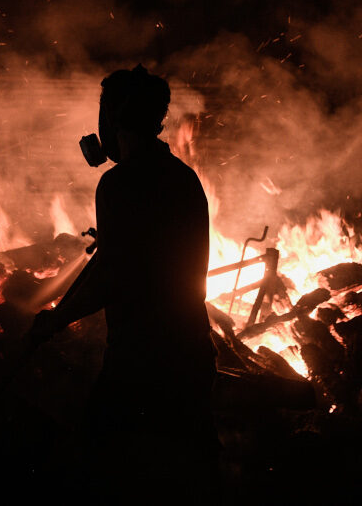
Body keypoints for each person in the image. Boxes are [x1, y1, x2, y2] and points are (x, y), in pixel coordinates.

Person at [28, 65, 220, 503]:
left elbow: (111, 276)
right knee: (190, 472)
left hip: (141, 359)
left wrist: (55, 322)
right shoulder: (181, 176)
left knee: (106, 466)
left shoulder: (120, 183)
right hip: (190, 348)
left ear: (114, 118)